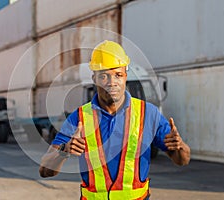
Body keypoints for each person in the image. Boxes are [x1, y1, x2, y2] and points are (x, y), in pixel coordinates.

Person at [39, 40, 190, 200]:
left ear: (126, 76)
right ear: (94, 78)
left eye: (118, 75)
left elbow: (182, 160)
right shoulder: (79, 118)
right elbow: (44, 170)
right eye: (104, 76)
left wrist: (180, 147)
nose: (112, 83)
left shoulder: (148, 114)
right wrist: (64, 151)